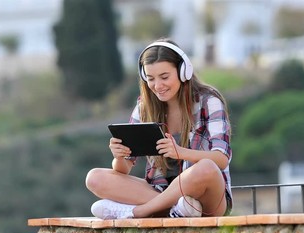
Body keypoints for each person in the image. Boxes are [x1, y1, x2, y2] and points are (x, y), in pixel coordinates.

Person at [85, 38, 232, 219]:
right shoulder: (144, 108)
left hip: (207, 200)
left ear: (183, 71)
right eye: (151, 79)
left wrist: (180, 152)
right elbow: (124, 170)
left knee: (206, 167)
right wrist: (119, 156)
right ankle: (177, 210)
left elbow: (221, 159)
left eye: (164, 77)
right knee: (95, 178)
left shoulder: (209, 101)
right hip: (160, 192)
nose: (157, 86)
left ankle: (138, 212)